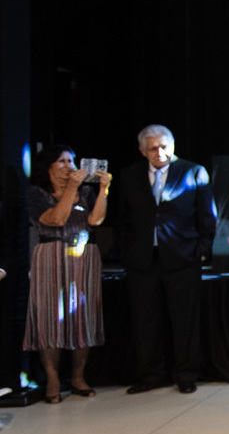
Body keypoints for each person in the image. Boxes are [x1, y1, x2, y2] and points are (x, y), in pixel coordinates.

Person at [110, 125, 216, 394]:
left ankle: (186, 374)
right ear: (142, 151)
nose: (159, 153)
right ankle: (151, 375)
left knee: (184, 320)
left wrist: (202, 249)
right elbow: (124, 218)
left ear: (173, 146)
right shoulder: (130, 174)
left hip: (183, 257)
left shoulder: (193, 171)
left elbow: (207, 215)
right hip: (142, 260)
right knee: (145, 320)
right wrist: (127, 251)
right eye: (153, 148)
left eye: (164, 147)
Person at [23, 145, 111, 403]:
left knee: (83, 316)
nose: (69, 166)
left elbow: (96, 220)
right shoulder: (36, 193)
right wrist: (71, 187)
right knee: (50, 318)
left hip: (83, 256)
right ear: (48, 166)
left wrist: (103, 190)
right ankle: (52, 379)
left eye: (71, 161)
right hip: (50, 255)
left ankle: (78, 377)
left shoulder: (85, 192)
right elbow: (56, 219)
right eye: (62, 161)